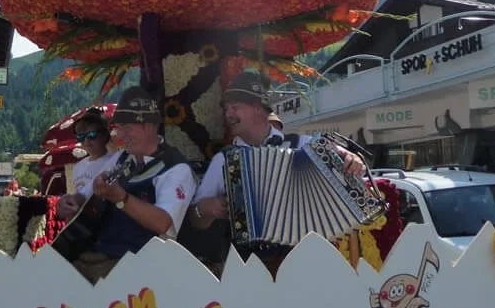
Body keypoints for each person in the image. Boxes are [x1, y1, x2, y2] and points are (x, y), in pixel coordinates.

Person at [187, 72, 367, 276]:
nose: (228, 114)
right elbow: (195, 220)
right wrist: (206, 208)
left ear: (257, 108)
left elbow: (352, 177)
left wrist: (353, 161)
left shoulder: (303, 145)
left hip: (308, 262)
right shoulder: (225, 160)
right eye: (227, 109)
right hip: (252, 267)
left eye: (235, 107)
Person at [68, 86, 197, 284]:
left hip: (141, 269)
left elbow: (163, 223)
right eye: (119, 128)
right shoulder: (122, 157)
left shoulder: (176, 169)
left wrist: (122, 198)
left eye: (127, 128)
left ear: (149, 126)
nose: (121, 135)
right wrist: (72, 200)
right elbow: (88, 192)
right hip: (101, 257)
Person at [57, 106, 121, 221]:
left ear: (105, 135)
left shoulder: (116, 160)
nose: (86, 141)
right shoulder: (78, 166)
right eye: (81, 137)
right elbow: (78, 192)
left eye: (91, 135)